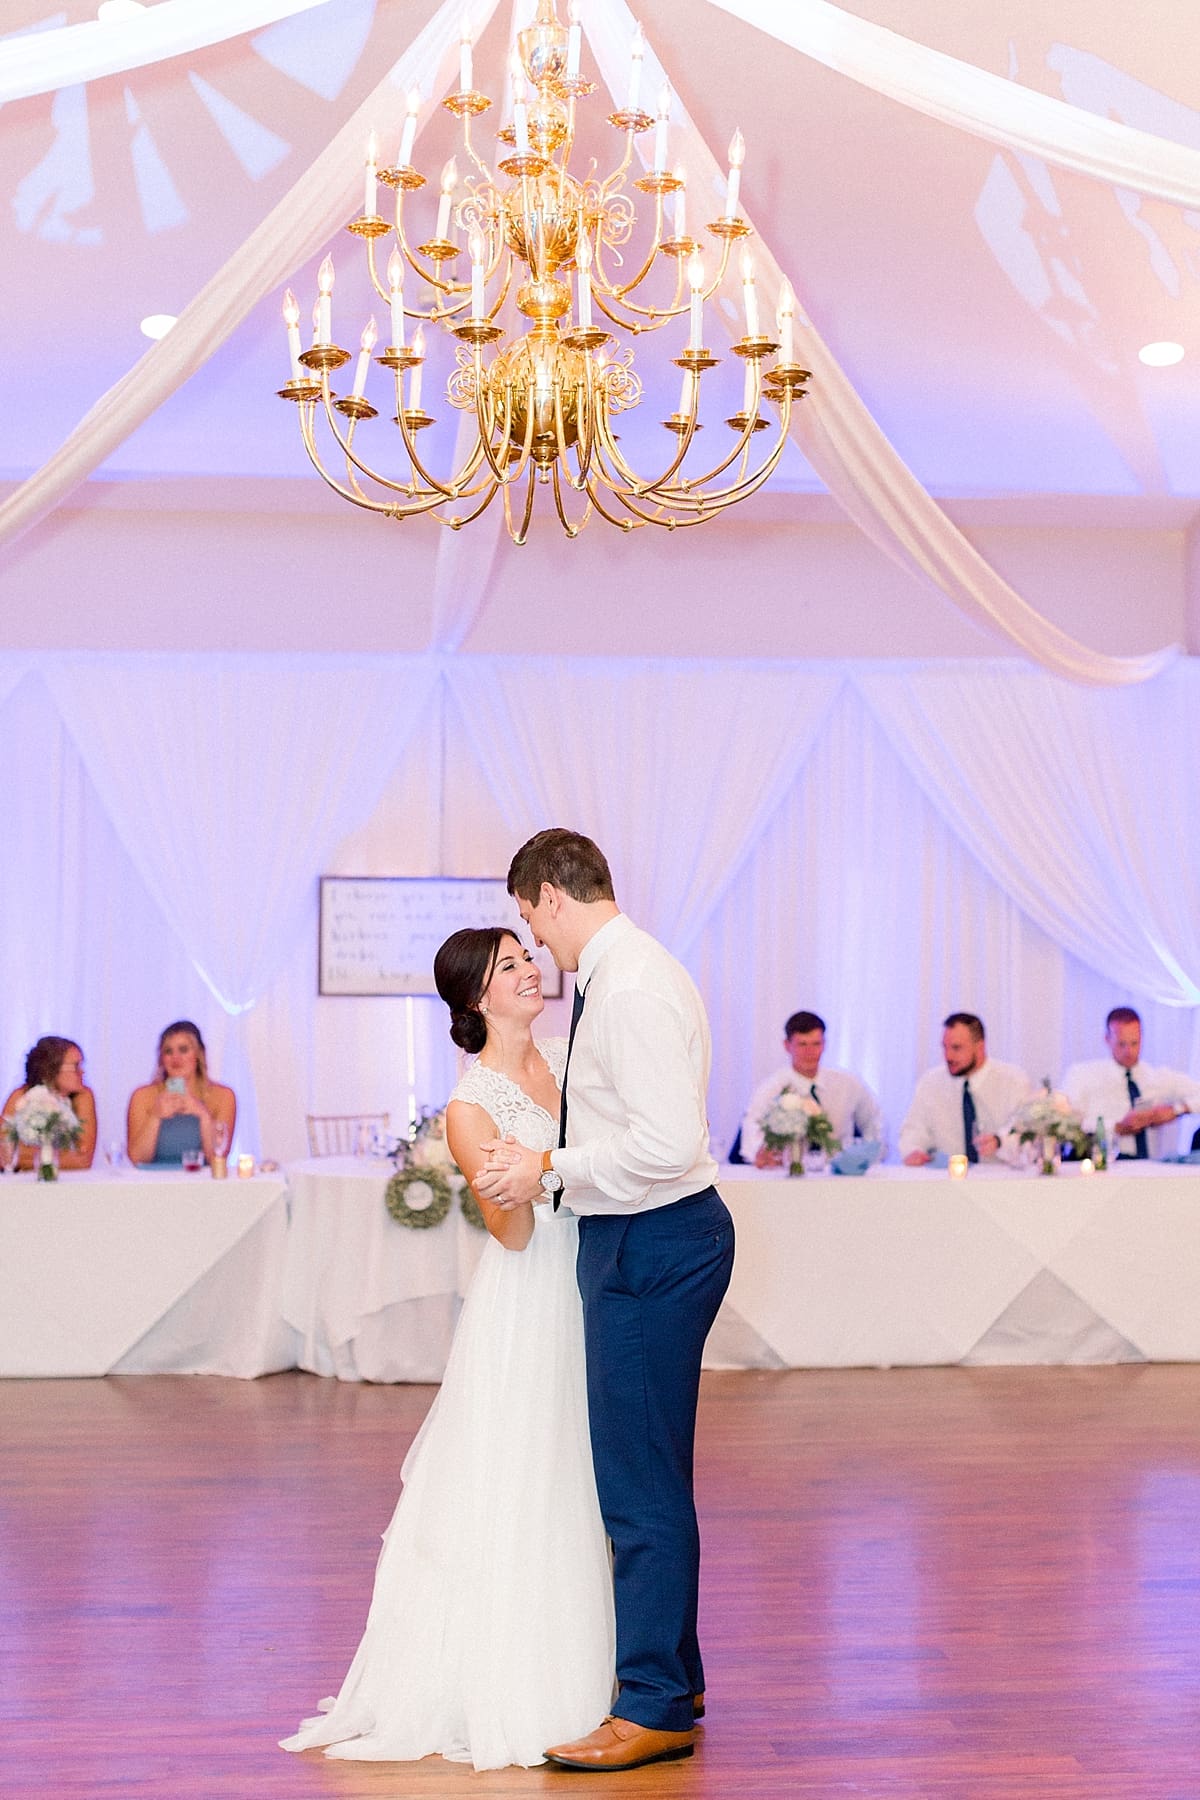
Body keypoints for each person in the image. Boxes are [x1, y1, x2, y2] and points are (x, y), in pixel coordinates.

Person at [281, 926, 614, 1771]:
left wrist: (543, 1163)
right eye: (509, 965)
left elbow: (587, 1163)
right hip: (532, 1292)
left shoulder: (570, 1063)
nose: (530, 969)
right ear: (475, 997)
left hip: (593, 1278)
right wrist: (530, 1178)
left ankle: (596, 1662)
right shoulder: (470, 1107)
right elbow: (508, 1229)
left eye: (527, 957)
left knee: (586, 1464)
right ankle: (519, 1679)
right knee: (527, 1469)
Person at [475, 828, 735, 1773]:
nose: (534, 944)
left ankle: (654, 1705)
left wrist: (548, 1166)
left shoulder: (625, 986)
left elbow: (668, 1145)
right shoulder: (625, 972)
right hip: (646, 1235)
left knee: (637, 1485)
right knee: (653, 1468)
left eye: (527, 920)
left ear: (548, 896)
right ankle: (679, 1675)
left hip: (653, 1239)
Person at [739, 1009, 884, 1166]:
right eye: (802, 1044)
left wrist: (867, 1158)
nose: (810, 1052)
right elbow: (752, 1130)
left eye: (816, 1044)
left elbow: (875, 1123)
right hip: (787, 1176)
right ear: (787, 1045)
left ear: (824, 1044)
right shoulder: (771, 1088)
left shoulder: (849, 1084)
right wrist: (761, 1153)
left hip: (840, 1176)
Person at [1062, 1007, 1200, 1161]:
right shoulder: (1083, 1075)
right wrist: (1116, 1127)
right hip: (1101, 1164)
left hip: (1149, 1169)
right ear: (1107, 1039)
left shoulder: (1157, 1077)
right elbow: (1069, 1123)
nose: (1129, 1051)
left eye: (1134, 1043)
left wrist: (1176, 1110)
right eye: (1122, 1044)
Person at [899, 1012, 1030, 1165]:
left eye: (956, 1048)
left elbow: (1026, 1133)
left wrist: (999, 1142)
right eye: (945, 1047)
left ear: (980, 1047)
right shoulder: (930, 1083)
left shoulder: (1013, 1080)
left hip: (1000, 1179)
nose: (948, 1056)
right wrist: (913, 1150)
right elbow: (914, 1129)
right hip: (945, 1181)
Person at [126, 1021, 236, 1167]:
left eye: (183, 1050)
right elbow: (137, 1159)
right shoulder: (142, 1096)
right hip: (153, 1183)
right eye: (168, 1051)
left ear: (198, 1054)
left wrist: (203, 1115)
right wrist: (155, 1116)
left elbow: (217, 1159)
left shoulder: (223, 1096)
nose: (175, 1058)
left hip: (202, 1184)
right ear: (161, 1058)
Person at [2, 1037, 97, 1170]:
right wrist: (61, 1155)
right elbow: (3, 1154)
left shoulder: (83, 1097)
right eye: (76, 1066)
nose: (82, 1072)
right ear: (52, 1069)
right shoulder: (20, 1096)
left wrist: (22, 1156)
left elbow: (83, 1159)